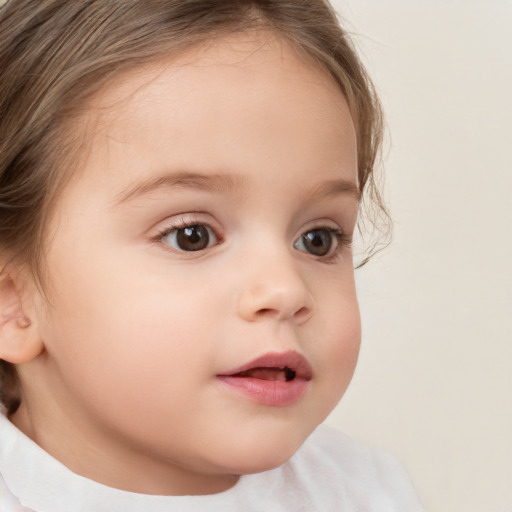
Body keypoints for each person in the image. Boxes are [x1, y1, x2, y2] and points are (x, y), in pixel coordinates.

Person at [0, 0, 423, 510]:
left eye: (319, 239)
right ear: (12, 301)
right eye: (192, 235)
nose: (286, 289)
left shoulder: (367, 494)